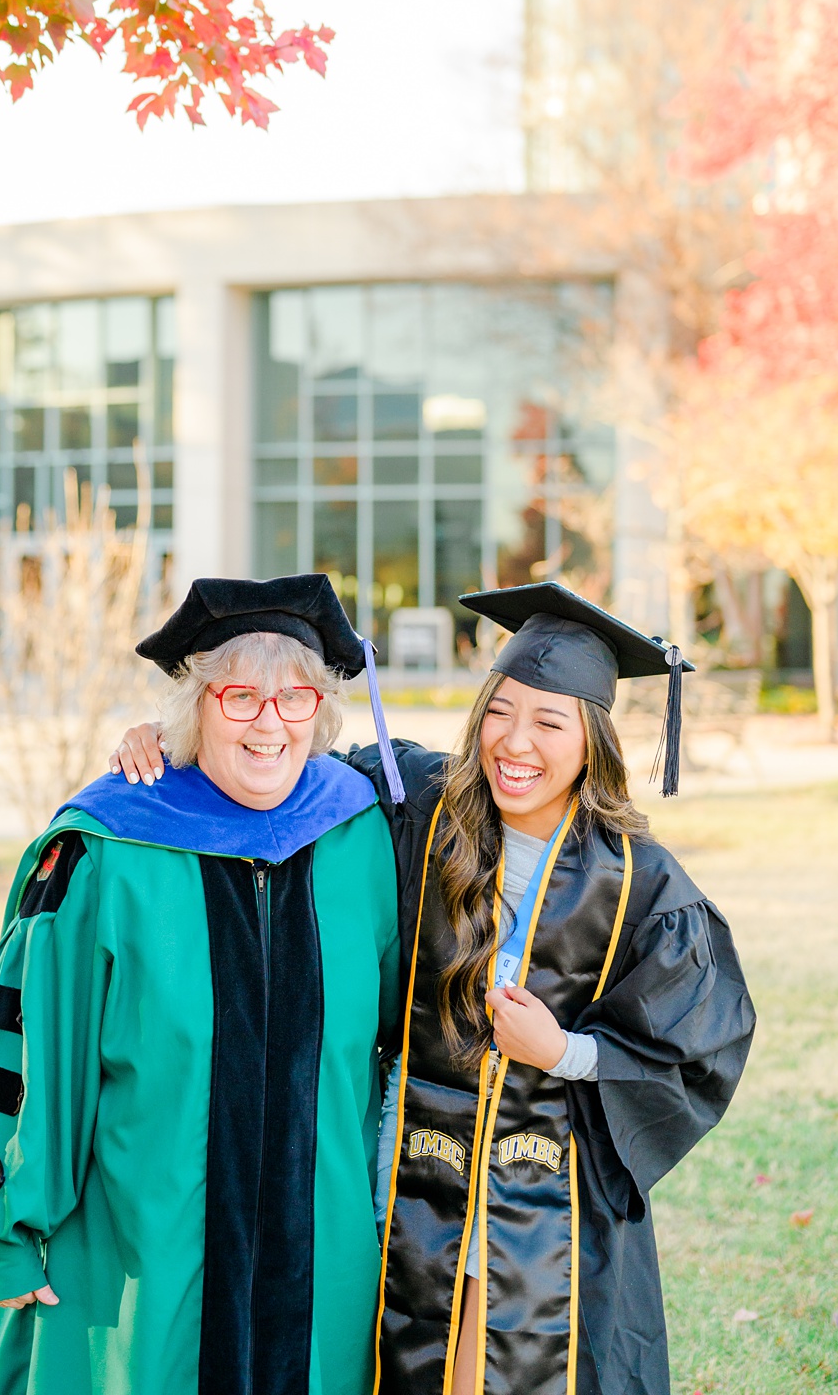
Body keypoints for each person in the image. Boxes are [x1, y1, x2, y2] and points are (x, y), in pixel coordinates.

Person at [111, 582, 757, 1395]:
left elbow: (701, 1046)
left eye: (549, 722)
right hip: (403, 1167)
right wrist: (168, 740)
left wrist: (565, 1051)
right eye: (500, 711)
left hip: (541, 1195)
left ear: (593, 740)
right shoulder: (419, 804)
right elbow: (280, 758)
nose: (514, 743)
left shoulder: (639, 884)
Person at [0, 574, 403, 1395]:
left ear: (323, 712)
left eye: (296, 698)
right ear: (195, 708)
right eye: (239, 696)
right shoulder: (109, 848)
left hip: (319, 1255)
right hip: (140, 1256)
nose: (269, 722)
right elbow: (23, 1048)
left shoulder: (364, 834)